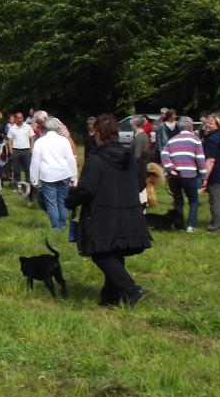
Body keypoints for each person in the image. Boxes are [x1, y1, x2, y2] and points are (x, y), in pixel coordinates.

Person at [65, 114, 151, 307]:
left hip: (104, 214)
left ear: (99, 135)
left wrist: (71, 199)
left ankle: (130, 289)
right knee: (115, 250)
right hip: (128, 212)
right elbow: (139, 183)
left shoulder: (96, 160)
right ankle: (110, 295)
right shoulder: (129, 158)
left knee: (101, 252)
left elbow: (87, 189)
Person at [31, 117, 78, 230]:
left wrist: (34, 179)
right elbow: (70, 159)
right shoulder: (64, 140)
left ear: (45, 128)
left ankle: (56, 227)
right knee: (62, 201)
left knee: (51, 203)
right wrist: (74, 177)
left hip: (48, 176)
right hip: (64, 174)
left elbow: (35, 162)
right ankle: (62, 225)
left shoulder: (40, 142)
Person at [160, 117, 204, 232]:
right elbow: (200, 159)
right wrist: (204, 176)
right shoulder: (195, 139)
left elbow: (164, 154)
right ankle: (191, 225)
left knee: (178, 200)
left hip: (174, 176)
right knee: (193, 200)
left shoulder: (172, 140)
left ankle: (180, 226)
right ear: (191, 126)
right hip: (189, 175)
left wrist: (170, 167)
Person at [7, 112, 34, 196]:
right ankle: (16, 187)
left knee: (28, 169)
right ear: (15, 119)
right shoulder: (12, 128)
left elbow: (32, 138)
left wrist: (31, 150)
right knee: (16, 170)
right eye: (18, 118)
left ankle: (28, 186)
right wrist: (11, 152)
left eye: (21, 118)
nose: (20, 119)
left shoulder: (28, 127)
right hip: (16, 151)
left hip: (26, 151)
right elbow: (10, 141)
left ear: (23, 118)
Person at [130, 116, 151, 203]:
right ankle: (143, 205)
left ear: (134, 125)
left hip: (139, 165)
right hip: (142, 164)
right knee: (142, 186)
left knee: (140, 186)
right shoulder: (143, 135)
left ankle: (141, 206)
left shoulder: (139, 137)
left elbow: (137, 155)